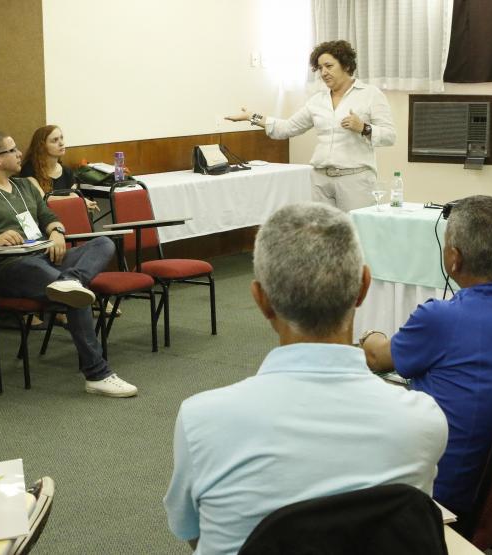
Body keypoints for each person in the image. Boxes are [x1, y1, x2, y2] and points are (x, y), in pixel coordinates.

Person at [163, 203, 447, 554]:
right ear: (363, 287)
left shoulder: (201, 420)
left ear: (261, 300)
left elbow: (192, 531)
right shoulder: (422, 419)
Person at [361, 195, 492, 515]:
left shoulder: (439, 318)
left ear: (453, 258)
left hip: (436, 490)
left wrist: (371, 335)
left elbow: (378, 358)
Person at [0, 131, 137, 397]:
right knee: (75, 295)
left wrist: (56, 232)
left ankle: (70, 281)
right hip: (10, 267)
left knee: (104, 243)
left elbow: (48, 216)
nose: (19, 154)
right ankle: (98, 375)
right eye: (12, 150)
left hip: (46, 257)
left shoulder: (25, 186)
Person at [226, 40, 396, 212]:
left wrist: (364, 127)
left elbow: (389, 136)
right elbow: (286, 128)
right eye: (320, 68)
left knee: (356, 233)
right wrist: (251, 117)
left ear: (345, 65)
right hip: (320, 180)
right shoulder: (317, 100)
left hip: (356, 180)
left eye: (329, 66)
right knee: (321, 235)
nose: (324, 72)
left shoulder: (370, 95)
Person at [19, 125, 98, 212]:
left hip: (67, 215)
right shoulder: (29, 170)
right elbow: (43, 199)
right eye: (55, 140)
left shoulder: (67, 171)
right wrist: (77, 200)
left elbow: (74, 195)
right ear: (42, 146)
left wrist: (83, 202)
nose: (61, 143)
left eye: (61, 138)